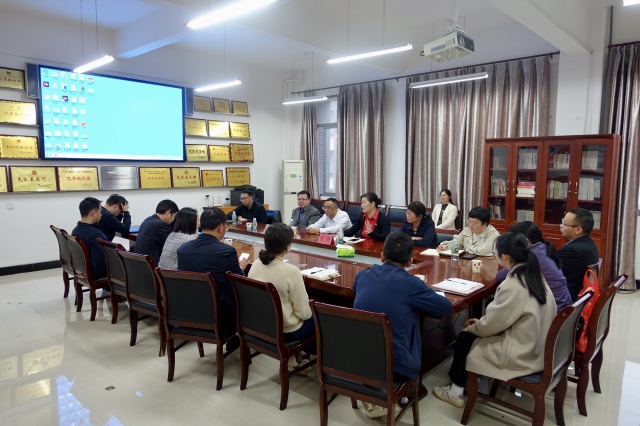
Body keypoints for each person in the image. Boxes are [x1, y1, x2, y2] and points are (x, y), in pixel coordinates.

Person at [433, 232, 556, 408]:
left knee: (464, 338)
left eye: (495, 252)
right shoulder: (533, 274)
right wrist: (481, 323)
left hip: (521, 352)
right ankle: (462, 382)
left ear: (504, 257)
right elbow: (503, 317)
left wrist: (475, 328)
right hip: (535, 344)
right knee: (473, 332)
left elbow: (493, 324)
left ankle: (455, 392)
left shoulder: (514, 284)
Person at [353, 232, 452, 418]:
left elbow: (357, 290)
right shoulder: (410, 284)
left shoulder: (363, 275)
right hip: (395, 366)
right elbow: (445, 307)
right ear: (410, 262)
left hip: (358, 358)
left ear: (382, 256)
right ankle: (399, 394)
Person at [177, 207, 250, 349]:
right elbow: (239, 282)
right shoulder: (226, 251)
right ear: (221, 227)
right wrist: (241, 267)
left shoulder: (183, 249)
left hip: (187, 310)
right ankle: (240, 337)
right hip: (218, 315)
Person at [248, 223, 315, 345]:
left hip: (260, 324)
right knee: (320, 320)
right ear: (288, 246)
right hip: (286, 331)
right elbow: (304, 313)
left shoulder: (256, 264)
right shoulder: (292, 271)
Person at [496, 221, 572, 312]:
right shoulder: (543, 247)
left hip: (553, 311)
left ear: (526, 241)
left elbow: (500, 276)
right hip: (563, 304)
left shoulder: (531, 255)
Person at [558, 208, 599, 301]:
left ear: (578, 229)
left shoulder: (572, 250)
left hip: (567, 298)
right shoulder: (589, 243)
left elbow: (551, 274)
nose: (561, 225)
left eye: (564, 223)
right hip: (578, 295)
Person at [71, 197, 107, 280]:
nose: (101, 215)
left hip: (83, 270)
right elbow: (99, 262)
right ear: (93, 213)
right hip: (97, 274)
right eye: (100, 212)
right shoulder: (95, 235)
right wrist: (91, 275)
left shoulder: (76, 230)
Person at [133, 199, 179, 265]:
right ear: (168, 212)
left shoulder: (148, 220)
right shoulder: (160, 224)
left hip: (139, 263)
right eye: (174, 216)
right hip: (151, 265)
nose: (173, 219)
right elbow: (173, 245)